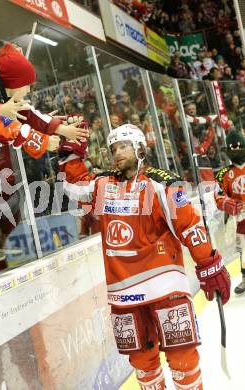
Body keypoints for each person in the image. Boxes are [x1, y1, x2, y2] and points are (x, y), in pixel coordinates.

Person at [59, 123, 230, 390]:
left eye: (123, 146)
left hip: (165, 288)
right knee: (142, 362)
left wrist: (208, 262)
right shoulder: (104, 184)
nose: (117, 152)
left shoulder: (162, 183)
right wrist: (70, 153)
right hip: (123, 295)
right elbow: (73, 187)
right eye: (113, 147)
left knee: (182, 358)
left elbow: (190, 225)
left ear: (140, 147)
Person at [215, 130, 245, 294]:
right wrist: (230, 205)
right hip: (241, 219)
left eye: (239, 147)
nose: (236, 150)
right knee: (244, 250)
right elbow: (219, 197)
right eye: (232, 148)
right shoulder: (223, 174)